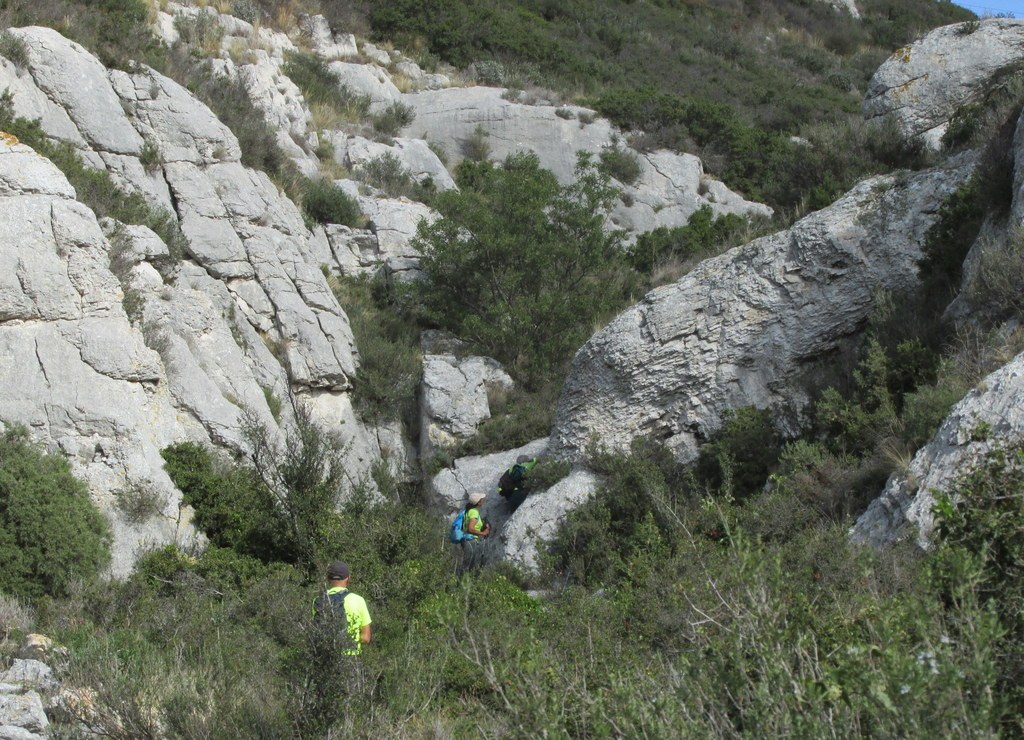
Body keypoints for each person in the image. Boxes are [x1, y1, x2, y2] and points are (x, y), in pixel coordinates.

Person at [458, 492, 491, 574]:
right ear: (478, 502)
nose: (484, 500)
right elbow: (470, 528)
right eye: (482, 499)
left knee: (468, 565)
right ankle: (461, 584)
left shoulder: (470, 511)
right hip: (470, 541)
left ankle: (461, 583)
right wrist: (483, 533)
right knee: (468, 566)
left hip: (468, 540)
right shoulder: (474, 512)